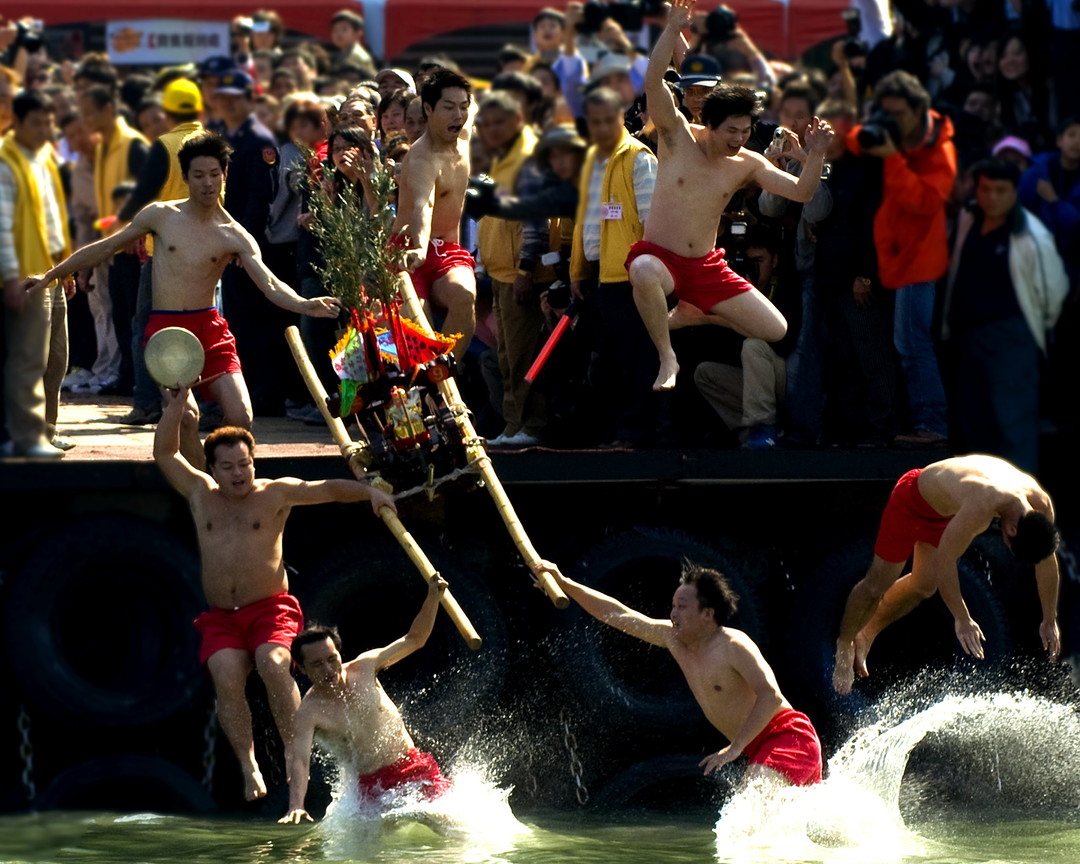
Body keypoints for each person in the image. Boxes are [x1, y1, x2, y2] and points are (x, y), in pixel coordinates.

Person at [27, 132, 340, 465]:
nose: (207, 183)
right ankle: (200, 485)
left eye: (214, 174)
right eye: (198, 175)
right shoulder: (161, 216)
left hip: (211, 330)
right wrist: (53, 274)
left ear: (225, 175)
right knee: (187, 417)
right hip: (167, 332)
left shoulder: (234, 235)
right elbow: (105, 247)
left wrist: (306, 305)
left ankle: (216, 476)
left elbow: (270, 285)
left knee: (241, 416)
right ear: (186, 177)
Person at [153, 383, 397, 801]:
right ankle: (249, 768)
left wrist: (370, 493)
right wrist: (175, 408)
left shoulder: (275, 494)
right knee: (226, 674)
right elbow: (165, 455)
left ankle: (292, 750)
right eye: (228, 467)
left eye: (244, 464)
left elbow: (327, 490)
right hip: (222, 618)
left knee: (272, 660)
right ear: (212, 469)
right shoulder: (199, 494)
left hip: (271, 611)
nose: (238, 474)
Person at [627, 0, 833, 391]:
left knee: (775, 328)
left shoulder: (747, 162)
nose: (739, 140)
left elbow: (803, 193)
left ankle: (695, 312)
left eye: (744, 131)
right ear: (709, 123)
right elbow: (654, 83)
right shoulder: (677, 137)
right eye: (732, 132)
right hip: (663, 259)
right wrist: (673, 29)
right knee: (643, 271)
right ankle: (667, 356)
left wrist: (816, 152)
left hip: (705, 265)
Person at [539, 558, 822, 787]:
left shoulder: (734, 645)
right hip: (757, 748)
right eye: (673, 606)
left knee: (748, 822)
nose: (673, 614)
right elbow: (619, 615)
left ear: (707, 614)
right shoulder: (672, 639)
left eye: (682, 607)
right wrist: (565, 583)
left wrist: (735, 748)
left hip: (788, 737)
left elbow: (771, 696)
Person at [832, 454, 1062, 696]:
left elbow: (1046, 561)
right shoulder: (982, 506)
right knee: (876, 584)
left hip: (948, 513)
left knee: (924, 585)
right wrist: (962, 618)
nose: (1005, 543)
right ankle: (844, 643)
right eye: (1009, 543)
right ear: (1012, 529)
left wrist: (1049, 619)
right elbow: (946, 560)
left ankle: (866, 633)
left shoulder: (1041, 504)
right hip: (912, 500)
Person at [279, 577, 452, 825]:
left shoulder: (366, 666)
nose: (328, 669)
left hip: (413, 768)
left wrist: (433, 598)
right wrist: (296, 806)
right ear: (303, 670)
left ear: (339, 654)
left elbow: (415, 639)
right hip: (372, 787)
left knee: (447, 826)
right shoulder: (309, 711)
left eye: (332, 659)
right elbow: (299, 759)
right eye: (317, 664)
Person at [849, 69, 956, 447]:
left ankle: (933, 425)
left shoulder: (934, 144)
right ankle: (926, 423)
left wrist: (892, 157)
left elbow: (924, 202)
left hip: (920, 259)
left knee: (913, 343)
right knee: (905, 344)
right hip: (899, 259)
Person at [941, 159, 1068, 474]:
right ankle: (985, 510)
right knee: (974, 424)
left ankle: (1022, 513)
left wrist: (1033, 329)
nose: (992, 197)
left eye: (1001, 190)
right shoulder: (968, 219)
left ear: (1014, 192)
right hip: (967, 334)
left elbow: (1055, 288)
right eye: (986, 189)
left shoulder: (1031, 234)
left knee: (1013, 425)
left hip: (1012, 336)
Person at [1, 89, 72, 459]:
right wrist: (10, 275)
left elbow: (53, 218)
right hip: (25, 277)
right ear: (18, 122)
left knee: (57, 359)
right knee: (29, 359)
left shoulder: (44, 158)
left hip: (51, 273)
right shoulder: (5, 160)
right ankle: (25, 438)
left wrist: (66, 266)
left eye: (49, 121)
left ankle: (46, 430)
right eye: (37, 122)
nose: (45, 129)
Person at [391, 69, 477, 359]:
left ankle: (449, 370)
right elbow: (422, 206)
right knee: (420, 331)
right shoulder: (419, 158)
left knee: (465, 296)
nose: (458, 115)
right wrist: (419, 245)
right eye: (449, 108)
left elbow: (471, 108)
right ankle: (427, 383)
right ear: (428, 109)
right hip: (408, 253)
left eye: (463, 107)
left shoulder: (464, 142)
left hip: (447, 252)